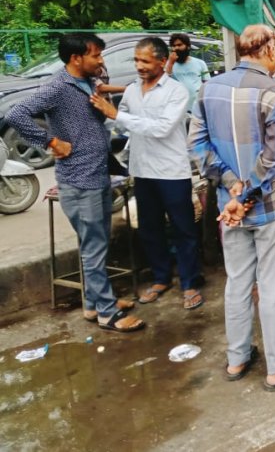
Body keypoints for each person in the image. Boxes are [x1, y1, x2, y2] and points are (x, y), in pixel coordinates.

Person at [188, 24, 275, 391]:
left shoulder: (208, 89)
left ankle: (237, 358)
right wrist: (244, 195)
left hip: (229, 208)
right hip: (269, 206)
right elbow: (273, 159)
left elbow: (197, 148)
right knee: (274, 288)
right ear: (271, 49)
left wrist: (232, 190)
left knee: (238, 283)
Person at [5, 33, 144, 332]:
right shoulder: (57, 87)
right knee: (94, 248)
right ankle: (108, 314)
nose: (101, 61)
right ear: (76, 58)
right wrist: (51, 141)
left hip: (96, 174)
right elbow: (16, 113)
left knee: (93, 245)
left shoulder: (85, 82)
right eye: (96, 55)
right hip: (80, 180)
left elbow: (100, 89)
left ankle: (94, 304)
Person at [90, 37, 203, 310]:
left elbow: (162, 128)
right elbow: (123, 125)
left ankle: (190, 283)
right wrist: (111, 116)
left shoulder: (176, 92)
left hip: (171, 170)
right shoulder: (131, 91)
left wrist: (118, 116)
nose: (139, 66)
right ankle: (161, 278)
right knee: (150, 229)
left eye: (145, 61)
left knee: (183, 228)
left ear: (162, 62)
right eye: (136, 60)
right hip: (142, 169)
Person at [167, 33, 210, 112]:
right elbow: (164, 83)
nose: (176, 48)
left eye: (179, 45)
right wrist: (170, 64)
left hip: (197, 109)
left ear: (188, 46)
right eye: (174, 46)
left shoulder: (200, 63)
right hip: (177, 109)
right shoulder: (168, 65)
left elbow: (207, 84)